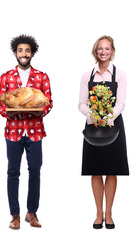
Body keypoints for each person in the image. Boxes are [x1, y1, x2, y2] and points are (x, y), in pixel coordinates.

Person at [0, 34, 53, 230]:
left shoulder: (42, 77)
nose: (24, 54)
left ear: (32, 53)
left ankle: (32, 213)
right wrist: (10, 114)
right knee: (13, 172)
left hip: (35, 131)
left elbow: (48, 102)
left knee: (35, 171)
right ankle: (15, 215)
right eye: (20, 50)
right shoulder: (6, 77)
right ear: (15, 53)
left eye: (27, 50)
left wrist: (38, 111)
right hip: (13, 132)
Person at [78, 35, 129, 229]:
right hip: (92, 125)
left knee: (112, 169)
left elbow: (121, 103)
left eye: (107, 49)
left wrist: (106, 118)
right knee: (95, 170)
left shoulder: (120, 74)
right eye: (100, 48)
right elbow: (81, 103)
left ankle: (109, 213)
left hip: (113, 125)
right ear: (95, 51)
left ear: (112, 51)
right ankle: (98, 212)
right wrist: (92, 116)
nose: (103, 52)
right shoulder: (87, 75)